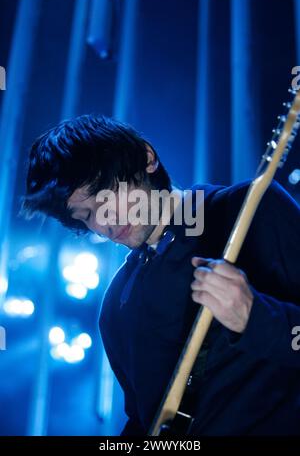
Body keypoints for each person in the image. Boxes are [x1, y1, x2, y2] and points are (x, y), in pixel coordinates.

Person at [22, 114, 300, 436]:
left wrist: (256, 318)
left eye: (103, 196)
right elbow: (146, 424)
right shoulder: (115, 308)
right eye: (85, 215)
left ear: (146, 158)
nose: (104, 222)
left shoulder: (246, 211)